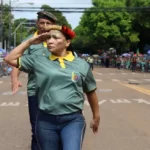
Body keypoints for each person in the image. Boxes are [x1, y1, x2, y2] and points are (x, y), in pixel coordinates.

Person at [5, 25, 100, 150]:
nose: (50, 41)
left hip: (72, 120)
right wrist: (29, 42)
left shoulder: (81, 65)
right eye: (48, 38)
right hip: (45, 121)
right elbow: (9, 58)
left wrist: (96, 116)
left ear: (67, 42)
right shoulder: (38, 61)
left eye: (55, 38)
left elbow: (90, 91)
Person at [10, 11, 57, 150]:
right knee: (37, 131)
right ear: (37, 23)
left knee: (55, 130)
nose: (44, 26)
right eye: (42, 23)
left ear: (53, 25)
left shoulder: (58, 40)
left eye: (48, 23)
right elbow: (16, 60)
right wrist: (14, 79)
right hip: (35, 91)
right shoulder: (29, 41)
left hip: (56, 92)